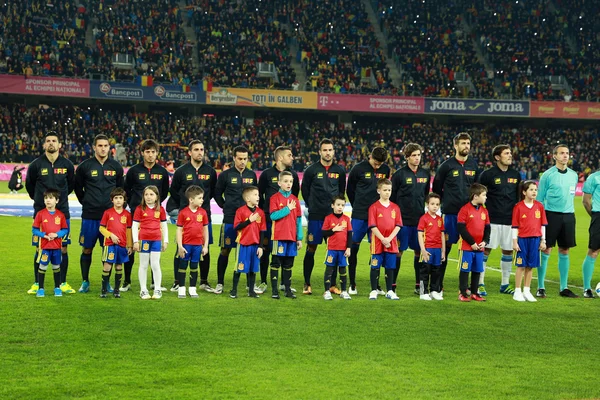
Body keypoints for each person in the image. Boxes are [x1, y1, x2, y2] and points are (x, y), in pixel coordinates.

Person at [25, 132, 75, 295]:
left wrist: (58, 203)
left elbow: (71, 185)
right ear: (44, 145)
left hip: (62, 213)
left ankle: (62, 283)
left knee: (63, 248)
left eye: (54, 141)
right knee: (40, 247)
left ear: (60, 145)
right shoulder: (36, 165)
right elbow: (30, 186)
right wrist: (41, 201)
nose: (51, 143)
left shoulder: (67, 164)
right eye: (48, 141)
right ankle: (36, 283)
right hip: (41, 212)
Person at [74, 134, 124, 294]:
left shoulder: (116, 167)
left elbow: (121, 190)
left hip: (110, 219)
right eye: (100, 146)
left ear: (110, 148)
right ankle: (85, 281)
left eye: (105, 146)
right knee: (87, 249)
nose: (103, 148)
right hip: (90, 216)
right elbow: (77, 188)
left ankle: (107, 283)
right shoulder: (84, 167)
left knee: (108, 250)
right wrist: (87, 202)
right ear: (94, 147)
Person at [432, 132, 479, 295]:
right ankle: (438, 283)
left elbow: (477, 190)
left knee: (468, 249)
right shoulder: (446, 166)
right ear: (455, 146)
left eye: (468, 143)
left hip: (469, 216)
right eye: (463, 143)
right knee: (446, 248)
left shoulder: (473, 165)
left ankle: (467, 287)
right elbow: (436, 189)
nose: (466, 146)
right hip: (451, 214)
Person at [167, 140, 217, 293]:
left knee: (204, 248)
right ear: (189, 152)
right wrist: (184, 205)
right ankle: (177, 282)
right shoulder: (181, 171)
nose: (200, 152)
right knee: (180, 248)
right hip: (186, 217)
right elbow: (174, 191)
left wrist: (204, 205)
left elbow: (213, 190)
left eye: (202, 149)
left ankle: (204, 281)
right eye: (196, 149)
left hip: (204, 216)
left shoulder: (210, 171)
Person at [122, 139, 170, 292]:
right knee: (131, 246)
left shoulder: (162, 172)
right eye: (147, 152)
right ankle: (127, 281)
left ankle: (153, 283)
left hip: (154, 215)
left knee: (153, 247)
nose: (150, 155)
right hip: (136, 215)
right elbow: (126, 190)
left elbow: (164, 191)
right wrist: (134, 206)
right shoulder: (133, 171)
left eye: (153, 152)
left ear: (157, 153)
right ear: (142, 153)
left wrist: (155, 208)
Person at [301, 139, 346, 295]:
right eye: (325, 150)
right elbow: (305, 190)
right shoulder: (311, 170)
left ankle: (332, 285)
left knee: (334, 248)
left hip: (333, 217)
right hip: (316, 215)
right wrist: (312, 205)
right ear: (319, 152)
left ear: (334, 152)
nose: (328, 153)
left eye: (330, 150)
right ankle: (307, 283)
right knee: (311, 248)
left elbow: (341, 191)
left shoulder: (339, 171)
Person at [477, 144, 521, 296]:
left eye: (510, 153)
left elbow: (518, 198)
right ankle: (480, 283)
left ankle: (505, 284)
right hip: (492, 219)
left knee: (508, 251)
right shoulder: (487, 175)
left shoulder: (516, 175)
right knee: (485, 249)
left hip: (510, 220)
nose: (510, 156)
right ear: (497, 157)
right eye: (506, 153)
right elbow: (478, 196)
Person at [346, 146, 390, 295]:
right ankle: (352, 283)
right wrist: (357, 205)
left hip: (378, 216)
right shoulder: (358, 169)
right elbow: (349, 190)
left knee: (376, 250)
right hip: (360, 215)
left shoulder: (385, 170)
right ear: (370, 157)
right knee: (353, 247)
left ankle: (376, 284)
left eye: (380, 164)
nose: (378, 166)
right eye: (376, 163)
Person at [536, 144, 579, 298]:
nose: (565, 156)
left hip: (568, 216)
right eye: (561, 153)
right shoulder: (547, 175)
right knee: (546, 249)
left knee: (565, 250)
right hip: (550, 215)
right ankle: (541, 287)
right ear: (554, 156)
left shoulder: (574, 175)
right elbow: (540, 199)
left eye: (567, 153)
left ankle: (564, 287)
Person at [214, 146, 258, 294]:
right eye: (239, 158)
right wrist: (225, 207)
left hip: (249, 220)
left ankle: (248, 285)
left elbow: (255, 195)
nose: (242, 161)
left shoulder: (251, 175)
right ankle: (220, 283)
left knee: (247, 251)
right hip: (230, 218)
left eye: (245, 159)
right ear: (233, 158)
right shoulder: (225, 175)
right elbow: (217, 194)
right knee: (225, 250)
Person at [258, 146, 300, 295]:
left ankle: (283, 284)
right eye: (289, 155)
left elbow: (294, 197)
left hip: (287, 222)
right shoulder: (266, 174)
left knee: (285, 254)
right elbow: (260, 193)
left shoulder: (292, 175)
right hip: (269, 219)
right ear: (280, 158)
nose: (292, 157)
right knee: (266, 250)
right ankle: (263, 282)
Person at [391, 143, 429, 295]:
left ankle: (418, 285)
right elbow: (392, 199)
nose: (417, 158)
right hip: (402, 222)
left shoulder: (425, 174)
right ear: (407, 157)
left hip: (419, 220)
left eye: (419, 155)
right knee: (398, 252)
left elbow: (425, 195)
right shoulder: (399, 175)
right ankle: (392, 285)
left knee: (419, 252)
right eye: (414, 155)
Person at [512, 181, 547, 302]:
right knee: (521, 265)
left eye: (536, 190)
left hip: (535, 239)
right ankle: (517, 291)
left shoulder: (539, 206)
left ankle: (526, 290)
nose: (534, 192)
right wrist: (514, 241)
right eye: (531, 190)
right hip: (522, 239)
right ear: (524, 192)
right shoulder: (518, 207)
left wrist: (543, 240)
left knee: (531, 266)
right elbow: (515, 226)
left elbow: (543, 224)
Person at [269, 171, 303, 299]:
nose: (288, 184)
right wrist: (287, 209)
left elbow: (298, 220)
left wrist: (299, 238)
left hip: (291, 238)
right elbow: (273, 216)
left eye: (291, 181)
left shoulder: (295, 199)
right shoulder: (274, 198)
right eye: (285, 181)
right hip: (278, 237)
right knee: (276, 263)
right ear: (279, 183)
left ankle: (287, 289)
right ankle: (274, 290)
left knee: (289, 265)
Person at [368, 179, 402, 301]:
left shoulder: (395, 207)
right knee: (375, 266)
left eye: (389, 190)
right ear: (379, 191)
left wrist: (389, 238)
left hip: (391, 242)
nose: (387, 193)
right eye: (385, 190)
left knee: (390, 267)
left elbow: (398, 225)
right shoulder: (374, 207)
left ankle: (390, 291)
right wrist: (383, 239)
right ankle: (373, 290)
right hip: (377, 242)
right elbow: (372, 225)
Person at [230, 186, 266, 299]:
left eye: (258, 195)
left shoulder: (260, 212)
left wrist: (261, 247)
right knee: (239, 268)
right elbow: (236, 227)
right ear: (247, 198)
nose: (258, 197)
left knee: (252, 268)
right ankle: (234, 290)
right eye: (255, 195)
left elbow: (262, 231)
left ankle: (251, 291)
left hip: (255, 246)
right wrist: (249, 220)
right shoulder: (240, 211)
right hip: (243, 245)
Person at [132, 186, 168, 300]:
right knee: (143, 265)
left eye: (151, 194)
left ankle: (157, 289)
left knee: (155, 264)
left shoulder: (160, 209)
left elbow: (164, 225)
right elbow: (134, 226)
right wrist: (135, 241)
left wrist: (165, 240)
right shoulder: (139, 209)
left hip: (156, 240)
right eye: (146, 194)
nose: (148, 197)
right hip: (143, 240)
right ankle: (143, 290)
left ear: (157, 196)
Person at [32, 189, 69, 297]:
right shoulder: (40, 214)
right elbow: (34, 229)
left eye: (51, 198)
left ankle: (57, 288)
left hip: (56, 246)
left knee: (56, 266)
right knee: (42, 266)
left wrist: (57, 234)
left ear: (57, 201)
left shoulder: (61, 215)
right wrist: (44, 235)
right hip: (44, 246)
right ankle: (41, 289)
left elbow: (65, 230)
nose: (48, 200)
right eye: (46, 198)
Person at [457, 183, 490, 302]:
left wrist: (485, 241)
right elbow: (461, 228)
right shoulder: (464, 209)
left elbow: (487, 228)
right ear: (475, 196)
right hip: (467, 246)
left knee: (477, 270)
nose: (486, 197)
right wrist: (471, 242)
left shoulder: (484, 211)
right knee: (465, 269)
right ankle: (462, 292)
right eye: (484, 195)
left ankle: (475, 293)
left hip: (479, 247)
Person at [175, 185, 209, 299]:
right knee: (183, 265)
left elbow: (205, 229)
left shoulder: (203, 213)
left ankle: (192, 288)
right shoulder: (183, 213)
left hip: (198, 245)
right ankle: (181, 288)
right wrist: (180, 246)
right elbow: (179, 229)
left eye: (202, 198)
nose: (202, 200)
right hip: (186, 245)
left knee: (194, 266)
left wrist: (206, 246)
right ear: (191, 199)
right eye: (199, 198)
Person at [99, 188, 132, 299]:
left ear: (124, 200)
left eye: (120, 198)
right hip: (109, 244)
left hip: (122, 245)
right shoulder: (107, 213)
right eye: (116, 198)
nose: (118, 200)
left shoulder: (127, 214)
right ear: (112, 200)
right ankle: (104, 290)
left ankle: (117, 290)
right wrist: (110, 235)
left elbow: (128, 230)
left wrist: (130, 245)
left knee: (119, 266)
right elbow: (101, 228)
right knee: (107, 265)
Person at [322, 195, 352, 300]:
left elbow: (349, 234)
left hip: (343, 250)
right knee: (329, 270)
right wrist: (334, 229)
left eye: (342, 205)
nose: (340, 207)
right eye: (338, 205)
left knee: (343, 270)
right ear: (332, 205)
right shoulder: (328, 218)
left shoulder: (347, 219)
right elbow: (323, 232)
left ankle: (344, 291)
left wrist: (348, 248)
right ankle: (326, 291)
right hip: (332, 249)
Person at [417, 193, 446, 301]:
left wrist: (443, 251)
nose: (435, 206)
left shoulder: (439, 219)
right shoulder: (423, 219)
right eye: (432, 204)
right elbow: (420, 234)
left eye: (437, 204)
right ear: (427, 205)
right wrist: (423, 250)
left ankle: (434, 291)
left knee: (436, 271)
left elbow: (442, 235)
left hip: (437, 250)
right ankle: (423, 292)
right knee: (425, 271)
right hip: (427, 249)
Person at [582, 170, 600, 298]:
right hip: (598, 216)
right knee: (593, 251)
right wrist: (594, 216)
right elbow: (586, 201)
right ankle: (587, 288)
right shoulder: (593, 178)